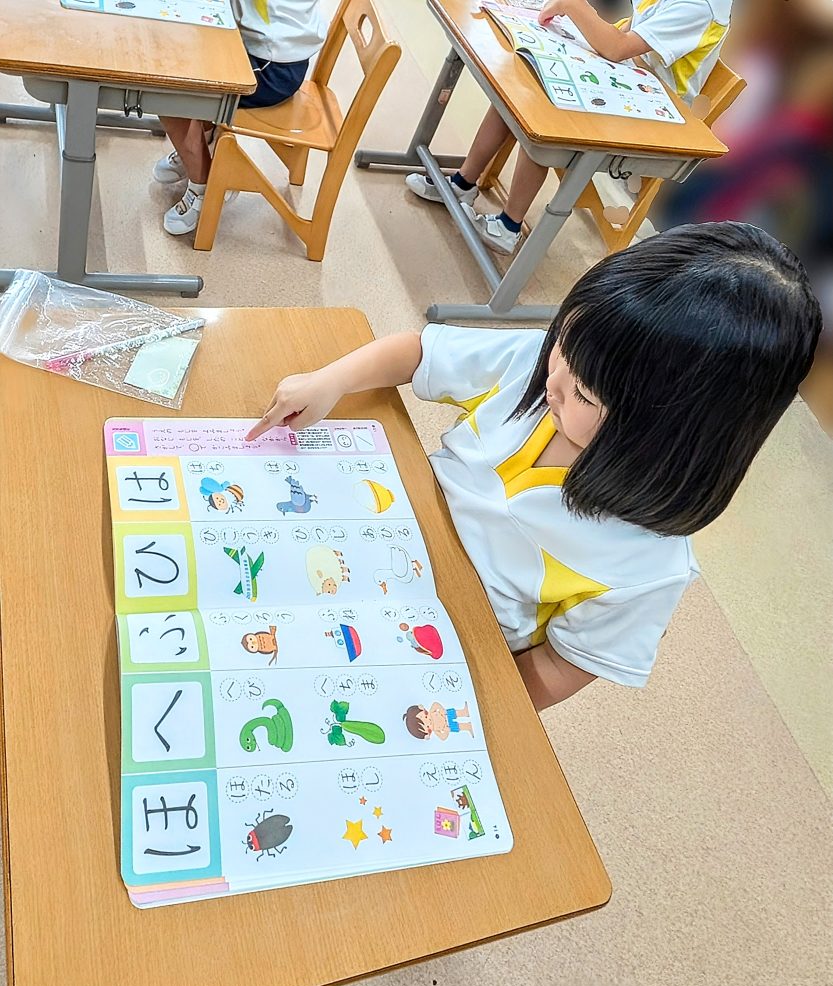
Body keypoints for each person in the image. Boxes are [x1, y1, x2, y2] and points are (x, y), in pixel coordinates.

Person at [245, 222, 821, 708]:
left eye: (584, 394)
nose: (554, 381)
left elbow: (559, 667)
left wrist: (466, 705)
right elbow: (419, 353)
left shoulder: (647, 567)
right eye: (562, 342)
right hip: (376, 535)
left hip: (436, 639)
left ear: (675, 436)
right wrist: (329, 380)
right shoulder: (550, 363)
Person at [406, 0, 733, 254]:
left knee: (545, 106)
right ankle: (463, 182)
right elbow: (627, 37)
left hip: (650, 111)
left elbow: (619, 47)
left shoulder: (701, 7)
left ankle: (508, 225)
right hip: (626, 79)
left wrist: (575, 7)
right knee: (526, 75)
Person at [157, 0, 326, 236]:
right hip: (268, 45)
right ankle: (200, 147)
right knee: (188, 42)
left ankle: (205, 184)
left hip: (271, 66)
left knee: (166, 83)